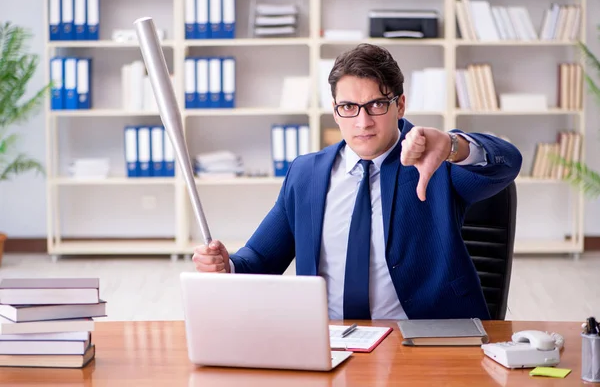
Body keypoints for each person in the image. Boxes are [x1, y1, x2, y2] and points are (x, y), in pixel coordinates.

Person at [192, 43, 522, 321]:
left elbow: (507, 162)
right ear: (335, 111)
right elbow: (260, 260)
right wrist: (227, 264)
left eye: (377, 104)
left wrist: (453, 145)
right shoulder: (306, 174)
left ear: (400, 105)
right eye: (349, 107)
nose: (362, 122)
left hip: (422, 341)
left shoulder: (432, 160)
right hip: (329, 342)